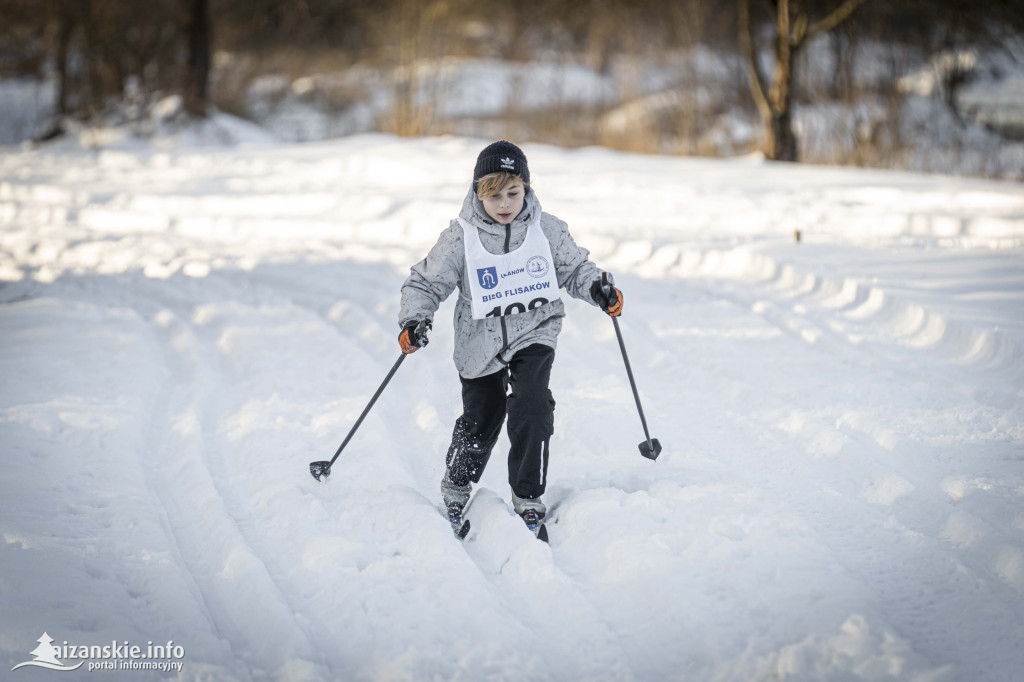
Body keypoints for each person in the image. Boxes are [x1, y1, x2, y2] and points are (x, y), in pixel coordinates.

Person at [397, 140, 623, 535]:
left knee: (532, 408)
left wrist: (598, 290)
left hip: (533, 331)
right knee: (482, 419)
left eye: (513, 192)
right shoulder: (460, 238)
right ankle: (456, 484)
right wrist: (415, 319)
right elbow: (425, 283)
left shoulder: (545, 230)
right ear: (477, 193)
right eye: (493, 194)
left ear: (527, 189)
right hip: (478, 341)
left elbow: (575, 270)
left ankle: (528, 496)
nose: (504, 203)